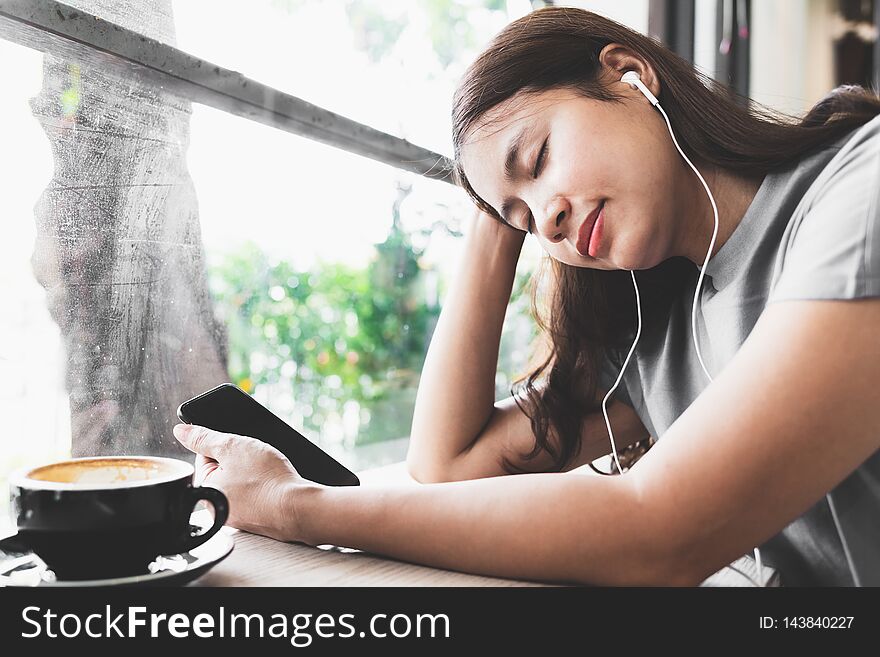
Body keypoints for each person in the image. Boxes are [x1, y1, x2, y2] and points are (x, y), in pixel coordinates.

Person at [173, 7, 880, 586]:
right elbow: (446, 469)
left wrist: (294, 503)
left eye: (539, 159)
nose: (547, 221)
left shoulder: (857, 192)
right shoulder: (651, 338)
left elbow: (660, 529)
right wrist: (495, 213)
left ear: (631, 76)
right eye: (524, 218)